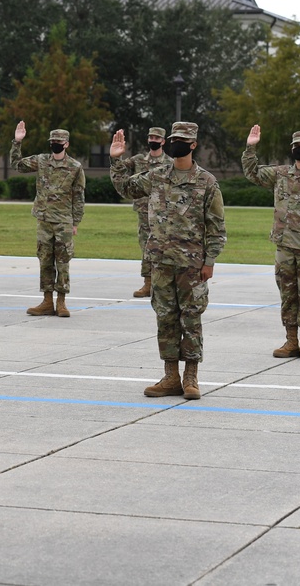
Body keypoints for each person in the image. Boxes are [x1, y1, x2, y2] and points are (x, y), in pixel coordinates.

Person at [110, 122, 226, 400]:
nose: (176, 144)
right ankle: (171, 375)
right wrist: (116, 160)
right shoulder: (157, 176)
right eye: (173, 140)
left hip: (192, 265)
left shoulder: (207, 182)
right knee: (165, 319)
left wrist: (209, 260)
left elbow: (217, 226)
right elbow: (126, 189)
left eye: (181, 140)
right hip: (161, 262)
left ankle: (191, 377)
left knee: (191, 319)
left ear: (193, 145)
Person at [243, 126, 300, 359]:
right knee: (287, 294)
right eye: (295, 146)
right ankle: (290, 340)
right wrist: (251, 147)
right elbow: (252, 173)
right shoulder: (281, 174)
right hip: (285, 246)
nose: (299, 150)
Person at [10, 121, 85, 317]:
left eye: (59, 141)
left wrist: (75, 222)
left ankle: (61, 302)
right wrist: (17, 142)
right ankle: (47, 301)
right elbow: (17, 166)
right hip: (44, 220)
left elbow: (78, 196)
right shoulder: (42, 160)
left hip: (63, 221)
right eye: (52, 141)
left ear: (66, 144)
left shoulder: (75, 167)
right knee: (44, 260)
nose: (55, 144)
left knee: (63, 261)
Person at [118, 126, 170, 298]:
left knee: (163, 248)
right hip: (143, 211)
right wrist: (116, 155)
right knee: (146, 246)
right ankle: (148, 284)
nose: (153, 141)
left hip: (163, 213)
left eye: (157, 138)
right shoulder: (139, 159)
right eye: (151, 138)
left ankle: (162, 284)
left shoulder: (169, 162)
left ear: (163, 141)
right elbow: (120, 169)